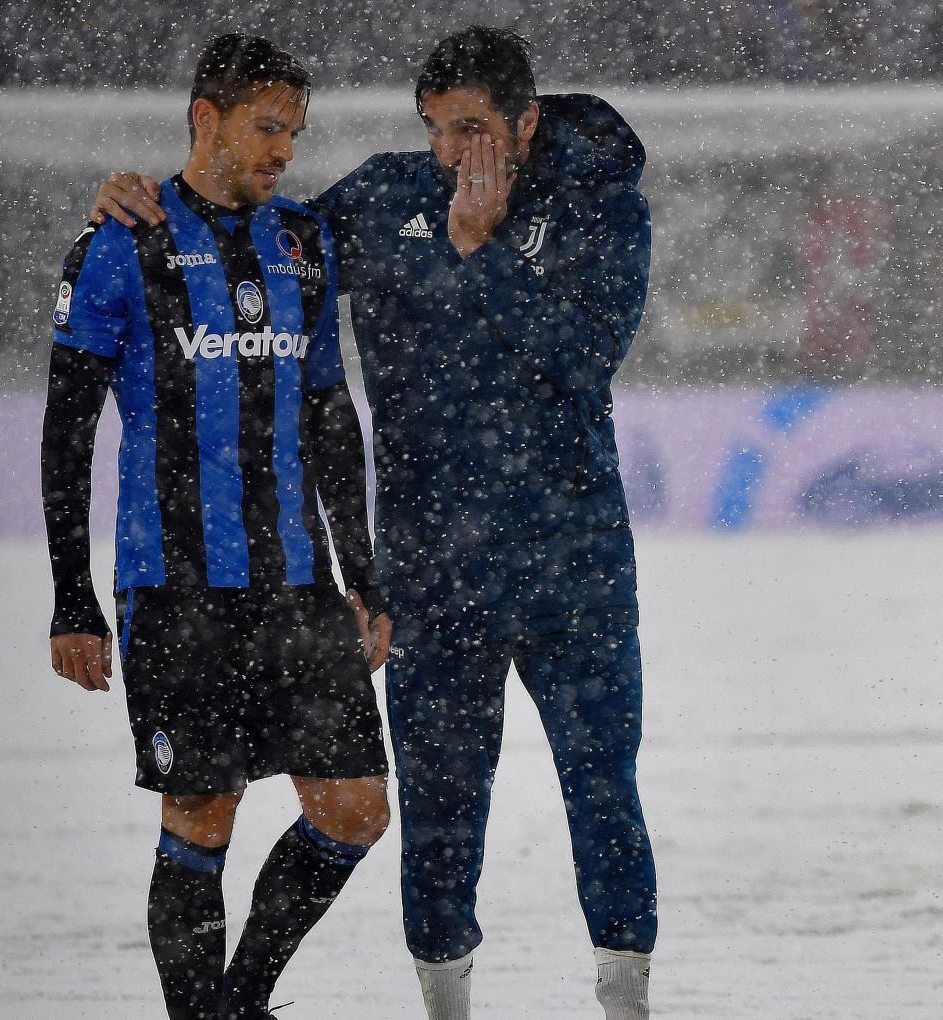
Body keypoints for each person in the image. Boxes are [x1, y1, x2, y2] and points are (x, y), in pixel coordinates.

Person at [92, 26, 658, 1020]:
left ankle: (628, 1006)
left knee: (604, 798)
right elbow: (259, 230)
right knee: (438, 823)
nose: (451, 153)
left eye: (473, 128)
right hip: (434, 577)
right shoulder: (392, 196)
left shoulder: (598, 204)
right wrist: (146, 205)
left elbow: (584, 352)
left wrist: (479, 254)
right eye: (437, 130)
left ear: (526, 122)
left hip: (578, 569)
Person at [43, 34, 392, 1020]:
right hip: (178, 585)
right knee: (201, 814)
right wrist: (73, 596)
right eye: (266, 125)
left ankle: (238, 1003)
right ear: (208, 119)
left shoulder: (304, 242)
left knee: (356, 807)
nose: (284, 146)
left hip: (296, 583)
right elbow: (67, 430)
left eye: (295, 129)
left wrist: (361, 573)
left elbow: (329, 414)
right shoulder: (124, 242)